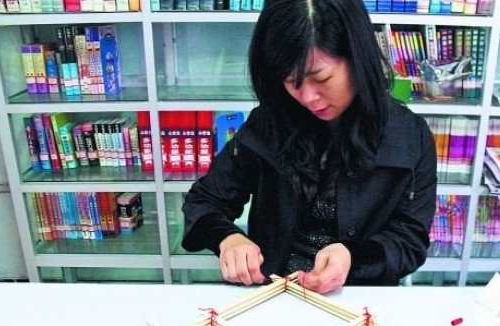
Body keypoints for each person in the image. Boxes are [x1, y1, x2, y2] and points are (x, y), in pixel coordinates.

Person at [182, 0, 437, 293]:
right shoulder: (269, 123)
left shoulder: (409, 136)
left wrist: (352, 258)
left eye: (322, 78)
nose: (308, 98)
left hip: (358, 297)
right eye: (292, 82)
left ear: (358, 59)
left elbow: (410, 240)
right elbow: (204, 201)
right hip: (274, 293)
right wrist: (228, 239)